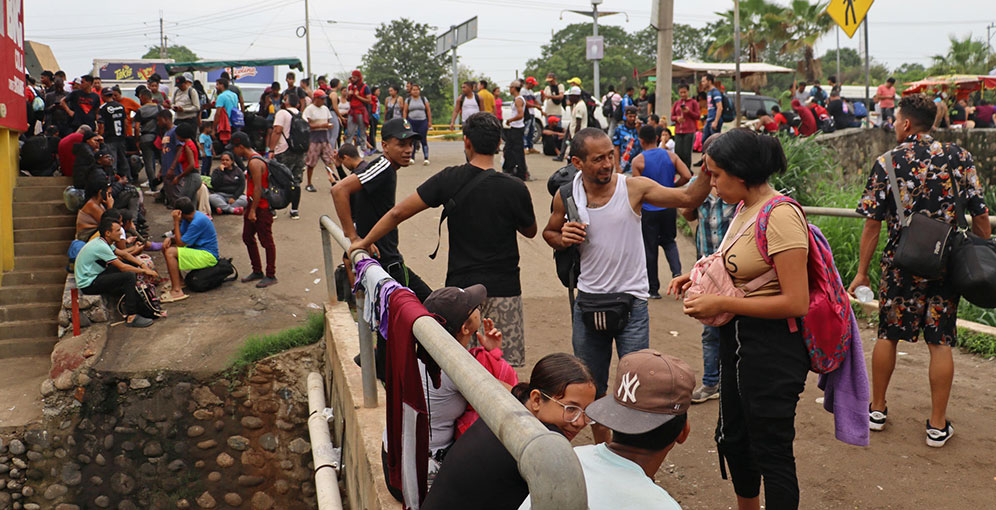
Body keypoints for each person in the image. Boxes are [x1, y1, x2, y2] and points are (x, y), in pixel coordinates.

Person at [668, 128, 811, 509]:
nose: (711, 184)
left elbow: (796, 301)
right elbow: (742, 269)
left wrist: (717, 301)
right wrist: (696, 278)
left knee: (772, 450)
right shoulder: (745, 208)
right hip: (738, 342)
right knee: (735, 439)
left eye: (716, 174)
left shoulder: (780, 216)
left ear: (741, 172)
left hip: (773, 348)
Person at [543, 128, 711, 443]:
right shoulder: (566, 196)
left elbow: (688, 198)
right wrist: (561, 237)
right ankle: (603, 449)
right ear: (578, 162)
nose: (608, 163)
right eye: (598, 159)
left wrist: (710, 165)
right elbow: (549, 232)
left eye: (611, 155)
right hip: (588, 304)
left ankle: (630, 451)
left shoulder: (633, 188)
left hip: (632, 305)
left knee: (637, 387)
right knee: (591, 388)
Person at [847, 94, 990, 447]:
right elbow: (980, 215)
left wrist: (862, 272)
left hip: (901, 264)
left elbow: (872, 224)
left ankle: (877, 410)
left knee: (888, 334)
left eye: (896, 119)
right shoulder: (959, 157)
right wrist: (981, 253)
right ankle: (937, 426)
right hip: (945, 264)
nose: (894, 125)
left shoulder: (887, 162)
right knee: (940, 341)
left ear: (907, 123)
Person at [350, 113, 537, 366]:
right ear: (498, 144)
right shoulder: (515, 187)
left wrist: (363, 242)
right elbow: (530, 231)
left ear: (467, 141)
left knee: (460, 368)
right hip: (505, 289)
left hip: (461, 296)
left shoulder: (449, 178)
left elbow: (397, 213)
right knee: (502, 367)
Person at [382, 284, 518, 500]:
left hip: (394, 462)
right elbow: (513, 396)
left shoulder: (419, 348)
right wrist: (495, 355)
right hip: (420, 477)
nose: (479, 307)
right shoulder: (455, 366)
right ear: (465, 328)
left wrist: (492, 352)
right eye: (473, 307)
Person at [519, 349, 694, 510]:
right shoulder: (662, 506)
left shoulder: (570, 459)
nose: (579, 422)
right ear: (683, 432)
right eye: (571, 409)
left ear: (611, 415)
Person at [423, 353, 597, 510]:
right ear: (536, 399)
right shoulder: (544, 440)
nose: (580, 422)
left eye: (587, 412)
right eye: (571, 409)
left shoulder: (508, 407)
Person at [332, 118, 432, 300]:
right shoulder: (383, 166)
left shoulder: (387, 169)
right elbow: (339, 190)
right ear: (385, 146)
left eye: (411, 144)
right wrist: (354, 237)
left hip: (384, 259)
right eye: (401, 144)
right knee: (432, 303)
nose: (408, 150)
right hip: (387, 263)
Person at [631, 125, 692, 299]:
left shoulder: (638, 161)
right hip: (669, 207)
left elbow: (636, 189)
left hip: (649, 209)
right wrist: (671, 187)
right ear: (657, 138)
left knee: (650, 248)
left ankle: (653, 289)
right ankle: (677, 276)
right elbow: (687, 175)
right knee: (669, 242)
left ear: (641, 140)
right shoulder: (671, 156)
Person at [75, 217, 158, 328]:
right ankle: (131, 316)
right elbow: (123, 267)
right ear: (108, 233)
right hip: (89, 284)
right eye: (118, 230)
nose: (121, 233)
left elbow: (124, 255)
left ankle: (136, 300)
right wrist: (144, 271)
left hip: (97, 275)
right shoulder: (100, 246)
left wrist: (142, 264)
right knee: (129, 275)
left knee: (130, 265)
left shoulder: (104, 242)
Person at [230, 132, 278, 288]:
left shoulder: (255, 162)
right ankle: (257, 270)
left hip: (261, 207)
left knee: (266, 241)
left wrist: (252, 211)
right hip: (254, 204)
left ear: (240, 147)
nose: (234, 152)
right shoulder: (253, 159)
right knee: (247, 237)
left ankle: (271, 274)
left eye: (234, 148)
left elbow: (258, 188)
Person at [161, 197, 218, 303]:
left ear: (180, 213)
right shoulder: (188, 219)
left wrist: (176, 222)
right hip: (197, 250)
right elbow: (180, 237)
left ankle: (177, 291)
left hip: (208, 255)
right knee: (166, 247)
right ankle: (180, 281)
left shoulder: (197, 221)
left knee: (170, 252)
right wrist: (169, 239)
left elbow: (180, 243)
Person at [269, 92, 305, 220]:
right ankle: (294, 210)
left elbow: (277, 130)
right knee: (296, 181)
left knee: (276, 179)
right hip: (299, 152)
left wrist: (271, 149)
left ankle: (273, 209)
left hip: (284, 151)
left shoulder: (282, 113)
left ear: (286, 102)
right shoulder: (301, 115)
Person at [303, 89, 337, 191]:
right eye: (321, 99)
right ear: (316, 98)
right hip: (314, 139)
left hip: (324, 138)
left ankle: (333, 181)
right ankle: (309, 183)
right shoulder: (309, 110)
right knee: (311, 163)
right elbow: (307, 125)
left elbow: (328, 121)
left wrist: (326, 125)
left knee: (329, 161)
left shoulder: (325, 109)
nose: (323, 101)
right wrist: (321, 125)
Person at [161, 120, 200, 207]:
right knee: (191, 205)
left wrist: (179, 177)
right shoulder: (190, 144)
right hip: (194, 177)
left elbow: (191, 165)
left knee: (182, 202)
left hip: (191, 177)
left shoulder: (187, 146)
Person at [96, 88, 129, 179]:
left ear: (103, 96)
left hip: (109, 138)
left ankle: (113, 180)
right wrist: (124, 135)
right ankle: (128, 178)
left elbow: (101, 125)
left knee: (111, 160)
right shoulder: (120, 106)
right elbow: (126, 123)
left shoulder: (103, 108)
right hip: (121, 137)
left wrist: (100, 137)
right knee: (123, 159)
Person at [502, 81, 528, 181]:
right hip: (515, 128)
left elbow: (520, 114)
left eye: (510, 88)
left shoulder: (518, 100)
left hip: (517, 128)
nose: (509, 89)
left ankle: (520, 172)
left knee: (516, 151)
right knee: (509, 150)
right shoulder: (518, 99)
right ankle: (510, 169)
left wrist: (510, 120)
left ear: (514, 88)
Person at [670, 83, 699, 169]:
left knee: (687, 153)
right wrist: (677, 118)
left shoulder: (693, 102)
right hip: (678, 130)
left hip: (689, 130)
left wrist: (689, 112)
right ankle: (679, 169)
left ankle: (687, 170)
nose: (683, 94)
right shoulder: (677, 103)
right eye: (681, 92)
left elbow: (697, 116)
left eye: (684, 92)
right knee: (678, 152)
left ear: (688, 92)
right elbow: (672, 117)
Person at [403, 84, 432, 165]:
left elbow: (428, 110)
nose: (415, 91)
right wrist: (404, 121)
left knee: (423, 139)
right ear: (411, 91)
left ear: (419, 91)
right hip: (412, 121)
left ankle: (426, 158)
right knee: (413, 140)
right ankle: (412, 157)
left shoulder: (423, 99)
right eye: (414, 90)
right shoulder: (408, 100)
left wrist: (429, 121)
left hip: (422, 121)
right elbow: (405, 111)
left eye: (417, 90)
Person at [346, 70, 372, 151]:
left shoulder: (365, 87)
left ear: (358, 78)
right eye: (352, 77)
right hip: (352, 111)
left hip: (361, 111)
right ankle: (347, 148)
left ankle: (363, 148)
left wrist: (358, 96)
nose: (353, 79)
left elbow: (369, 100)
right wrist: (349, 95)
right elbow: (348, 99)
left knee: (362, 131)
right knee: (350, 131)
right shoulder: (350, 87)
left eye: (354, 77)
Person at [611, 106, 640, 173]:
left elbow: (645, 144)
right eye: (630, 116)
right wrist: (617, 167)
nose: (632, 119)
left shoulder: (640, 127)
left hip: (638, 164)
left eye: (634, 116)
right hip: (624, 165)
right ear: (625, 115)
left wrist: (639, 129)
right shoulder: (619, 129)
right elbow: (616, 148)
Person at [521, 76, 541, 153]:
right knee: (525, 130)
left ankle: (530, 147)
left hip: (532, 113)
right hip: (526, 113)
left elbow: (535, 100)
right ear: (529, 83)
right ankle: (524, 147)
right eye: (533, 84)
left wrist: (539, 106)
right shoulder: (523, 91)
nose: (534, 86)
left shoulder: (531, 91)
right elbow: (525, 103)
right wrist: (536, 106)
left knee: (531, 130)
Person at [701, 73, 724, 140]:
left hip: (714, 121)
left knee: (714, 141)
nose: (702, 83)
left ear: (709, 81)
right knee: (705, 141)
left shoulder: (715, 92)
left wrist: (716, 121)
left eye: (703, 81)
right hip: (709, 120)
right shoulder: (709, 93)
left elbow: (720, 107)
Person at [367, 86, 381, 151]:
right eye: (378, 91)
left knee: (374, 132)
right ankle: (373, 147)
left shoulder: (376, 99)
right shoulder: (372, 98)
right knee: (372, 133)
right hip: (373, 116)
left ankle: (373, 147)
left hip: (376, 116)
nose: (379, 92)